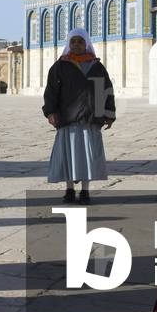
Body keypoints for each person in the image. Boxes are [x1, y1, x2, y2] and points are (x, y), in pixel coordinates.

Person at [42, 28, 115, 205]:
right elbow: (51, 91)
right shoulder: (60, 66)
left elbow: (106, 90)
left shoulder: (96, 66)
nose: (76, 45)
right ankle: (69, 189)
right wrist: (50, 112)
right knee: (69, 157)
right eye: (73, 41)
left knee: (87, 158)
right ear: (68, 44)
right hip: (68, 118)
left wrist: (108, 113)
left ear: (86, 44)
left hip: (90, 119)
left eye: (80, 42)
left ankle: (85, 191)